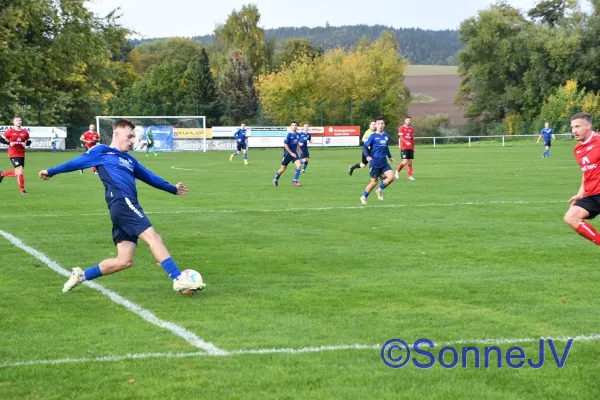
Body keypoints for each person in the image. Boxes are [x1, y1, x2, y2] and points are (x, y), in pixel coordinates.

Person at [38, 119, 204, 294]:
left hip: (124, 207)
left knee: (124, 260)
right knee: (153, 237)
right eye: (129, 136)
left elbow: (149, 177)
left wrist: (172, 189)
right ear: (117, 134)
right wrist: (51, 171)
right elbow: (75, 162)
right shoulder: (101, 151)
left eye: (134, 137)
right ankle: (178, 278)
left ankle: (81, 275)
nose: (132, 141)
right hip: (122, 202)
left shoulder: (130, 160)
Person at [563, 112, 600, 246]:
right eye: (572, 127)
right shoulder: (577, 149)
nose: (574, 131)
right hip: (591, 194)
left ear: (588, 126)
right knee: (570, 217)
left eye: (577, 127)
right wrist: (580, 193)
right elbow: (586, 172)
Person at [360, 116, 395, 204]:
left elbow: (386, 147)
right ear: (375, 125)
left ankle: (379, 190)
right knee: (373, 182)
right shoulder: (372, 136)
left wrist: (390, 157)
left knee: (391, 177)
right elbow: (364, 147)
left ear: (384, 125)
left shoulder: (386, 136)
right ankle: (364, 196)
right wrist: (367, 156)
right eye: (378, 123)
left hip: (383, 162)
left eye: (382, 123)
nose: (380, 125)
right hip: (375, 163)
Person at [0, 115, 31, 194]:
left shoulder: (25, 132)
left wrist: (26, 143)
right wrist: (9, 143)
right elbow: (1, 139)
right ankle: (22, 190)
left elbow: (29, 142)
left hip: (22, 154)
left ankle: (2, 174)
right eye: (17, 120)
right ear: (13, 122)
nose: (19, 122)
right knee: (20, 171)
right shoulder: (10, 132)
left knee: (18, 172)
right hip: (13, 154)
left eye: (20, 120)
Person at [273, 120, 302, 187]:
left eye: (295, 125)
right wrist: (291, 153)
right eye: (293, 125)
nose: (294, 126)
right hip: (287, 154)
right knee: (283, 169)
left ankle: (294, 181)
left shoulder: (297, 134)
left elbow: (297, 143)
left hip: (294, 154)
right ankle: (275, 179)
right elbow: (285, 145)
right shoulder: (288, 135)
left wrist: (299, 149)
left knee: (299, 165)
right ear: (290, 126)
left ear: (297, 126)